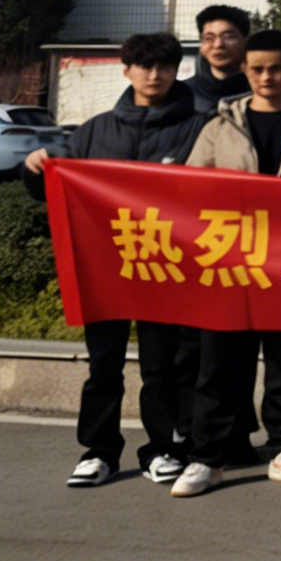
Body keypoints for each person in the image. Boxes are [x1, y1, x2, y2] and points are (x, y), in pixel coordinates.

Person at [27, 33, 206, 488]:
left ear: (177, 70)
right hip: (105, 265)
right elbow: (59, 186)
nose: (154, 74)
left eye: (164, 65)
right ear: (126, 70)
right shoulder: (95, 130)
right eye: (144, 65)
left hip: (167, 265)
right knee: (103, 365)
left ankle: (162, 448)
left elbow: (218, 190)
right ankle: (99, 451)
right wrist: (35, 170)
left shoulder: (200, 128)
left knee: (161, 367)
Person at [175, 29, 281, 495]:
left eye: (276, 68)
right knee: (217, 362)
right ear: (245, 71)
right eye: (257, 69)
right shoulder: (220, 125)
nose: (267, 77)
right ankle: (207, 457)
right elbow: (189, 188)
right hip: (229, 259)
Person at [187, 5, 251, 114]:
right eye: (209, 38)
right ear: (201, 45)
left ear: (246, 42)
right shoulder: (182, 94)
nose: (218, 44)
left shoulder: (264, 92)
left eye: (228, 37)